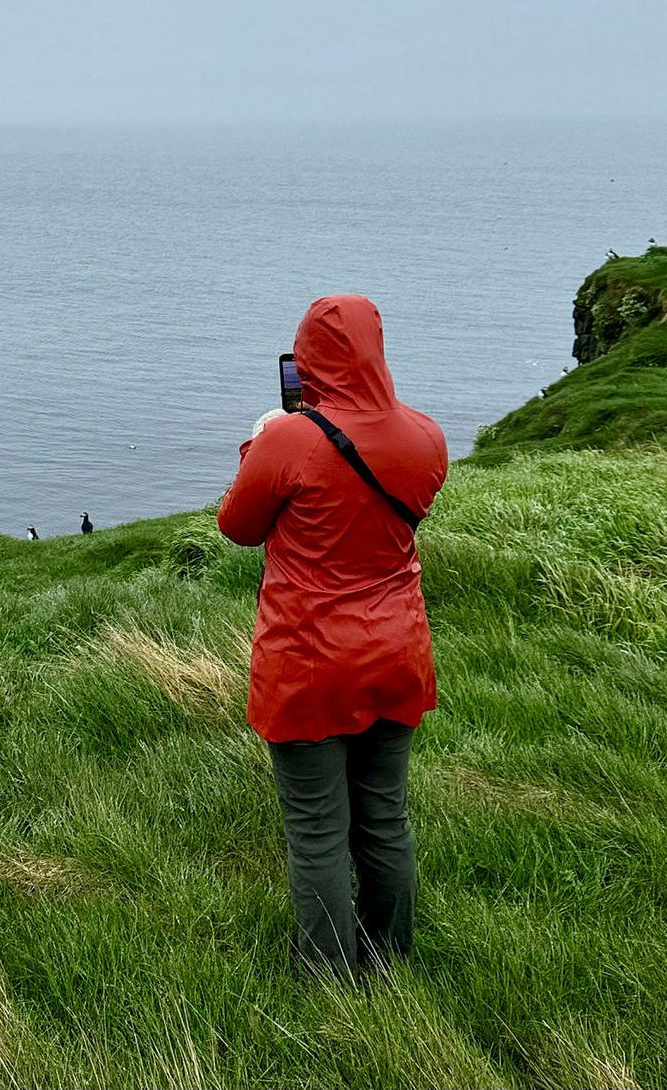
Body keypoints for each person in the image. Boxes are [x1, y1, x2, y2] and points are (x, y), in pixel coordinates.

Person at [217, 294, 448, 979]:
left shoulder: (289, 439)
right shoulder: (426, 436)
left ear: (307, 358)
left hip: (310, 659)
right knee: (385, 816)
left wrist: (258, 446)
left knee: (318, 829)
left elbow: (237, 525)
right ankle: (390, 961)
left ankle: (327, 979)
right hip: (397, 650)